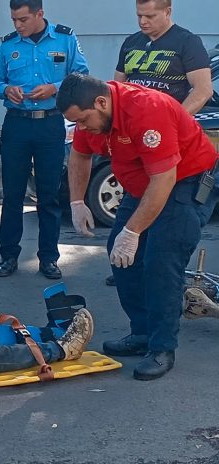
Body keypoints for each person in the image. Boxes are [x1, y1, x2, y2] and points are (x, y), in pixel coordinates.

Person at [56, 73, 219, 381]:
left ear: (101, 103)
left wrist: (132, 232)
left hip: (186, 178)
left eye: (83, 120)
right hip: (145, 181)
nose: (81, 128)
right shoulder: (90, 116)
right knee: (121, 258)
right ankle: (143, 333)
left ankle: (162, 348)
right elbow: (79, 154)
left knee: (161, 260)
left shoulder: (146, 110)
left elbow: (165, 179)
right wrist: (77, 202)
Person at [103, 0, 213, 287]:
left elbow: (203, 90)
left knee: (167, 219)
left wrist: (175, 121)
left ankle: (159, 273)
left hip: (168, 139)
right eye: (139, 15)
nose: (143, 22)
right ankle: (129, 264)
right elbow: (116, 89)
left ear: (168, 11)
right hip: (135, 143)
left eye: (150, 16)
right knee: (137, 204)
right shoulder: (131, 43)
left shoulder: (186, 42)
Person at [0, 0, 88, 280]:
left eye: (23, 20)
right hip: (17, 125)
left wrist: (54, 88)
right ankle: (8, 256)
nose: (18, 26)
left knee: (49, 196)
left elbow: (81, 76)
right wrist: (7, 89)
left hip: (51, 122)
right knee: (12, 195)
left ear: (40, 14)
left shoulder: (66, 39)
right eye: (14, 21)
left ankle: (49, 258)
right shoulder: (8, 45)